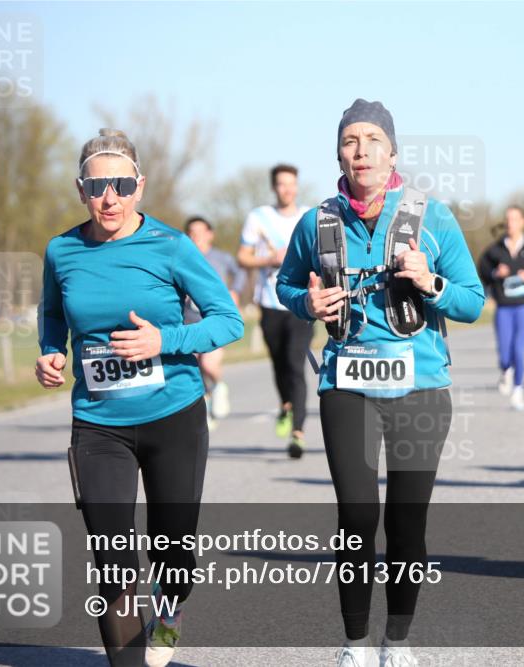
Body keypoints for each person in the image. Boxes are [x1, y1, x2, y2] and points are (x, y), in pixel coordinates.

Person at [276, 99, 485, 667]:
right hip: (346, 383)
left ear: (393, 151)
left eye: (372, 139)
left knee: (406, 522)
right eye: (350, 140)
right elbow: (286, 287)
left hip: (420, 387)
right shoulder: (316, 221)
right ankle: (354, 645)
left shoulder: (431, 216)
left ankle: (397, 644)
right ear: (339, 153)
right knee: (357, 516)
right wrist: (307, 301)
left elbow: (472, 301)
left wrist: (429, 279)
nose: (361, 149)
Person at [36, 129, 244, 667]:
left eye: (122, 185)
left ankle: (170, 614)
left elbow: (229, 321)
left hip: (173, 415)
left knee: (173, 551)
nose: (111, 197)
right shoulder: (62, 251)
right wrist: (49, 352)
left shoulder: (171, 247)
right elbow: (54, 315)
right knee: (113, 560)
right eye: (98, 185)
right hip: (98, 424)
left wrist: (165, 339)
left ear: (139, 187)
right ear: (81, 189)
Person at [237, 164, 312, 458]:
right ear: (274, 187)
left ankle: (298, 433)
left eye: (291, 184)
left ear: (297, 186)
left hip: (301, 302)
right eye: (281, 184)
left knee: (295, 365)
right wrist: (270, 258)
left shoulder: (308, 217)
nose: (287, 189)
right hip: (269, 303)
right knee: (280, 365)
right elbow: (243, 257)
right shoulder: (259, 218)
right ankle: (285, 405)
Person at [478, 206, 524, 410]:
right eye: (507, 219)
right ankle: (505, 371)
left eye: (514, 219)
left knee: (519, 350)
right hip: (503, 307)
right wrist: (495, 273)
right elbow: (481, 271)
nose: (510, 223)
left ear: (523, 222)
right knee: (504, 354)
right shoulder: (495, 250)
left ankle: (518, 391)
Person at [183, 215, 246, 425]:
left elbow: (240, 273)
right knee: (194, 368)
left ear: (210, 234)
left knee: (208, 363)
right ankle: (205, 409)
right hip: (188, 322)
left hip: (214, 321)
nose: (196, 238)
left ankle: (219, 386)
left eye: (200, 233)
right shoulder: (181, 258)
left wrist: (235, 292)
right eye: (191, 234)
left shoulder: (221, 258)